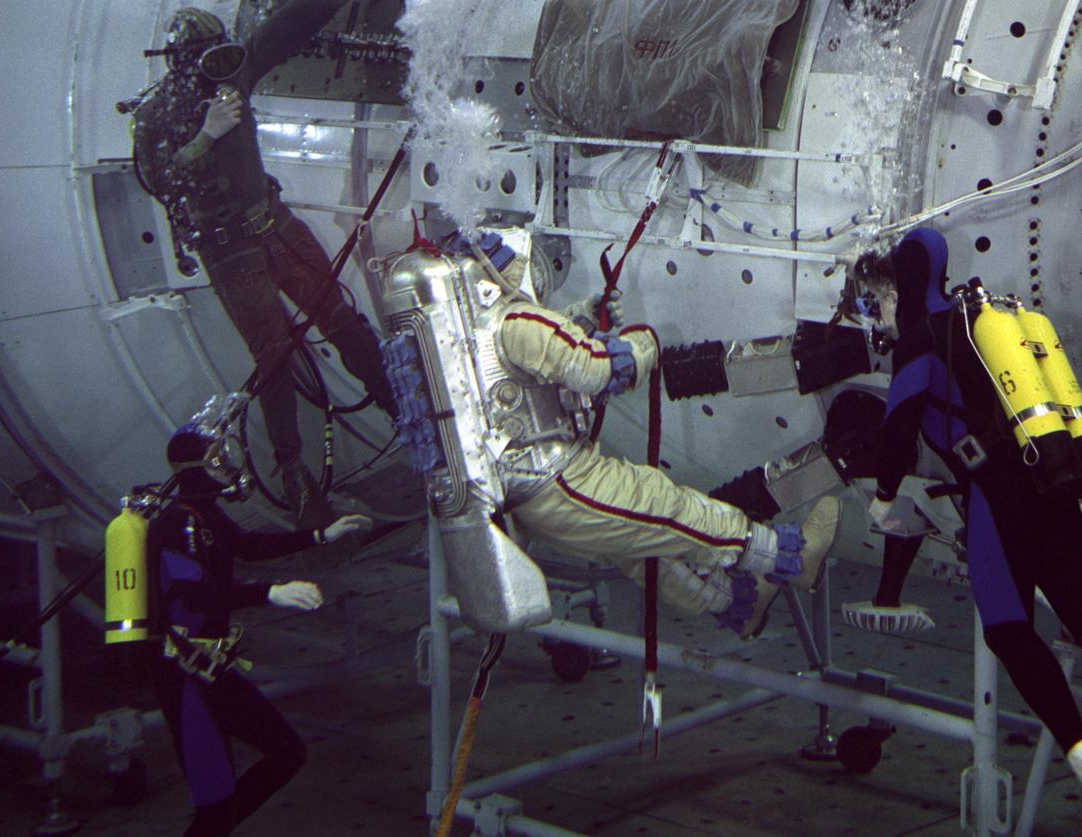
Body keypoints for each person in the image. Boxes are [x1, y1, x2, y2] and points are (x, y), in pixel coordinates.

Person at [861, 228, 1082, 836]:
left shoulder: (920, 340)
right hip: (1048, 479)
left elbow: (896, 429)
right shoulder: (981, 321)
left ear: (899, 287)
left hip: (997, 496)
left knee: (1008, 631)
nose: (882, 313)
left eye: (881, 299)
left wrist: (884, 499)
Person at [373, 231, 842, 638]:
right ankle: (788, 558)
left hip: (524, 497)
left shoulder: (472, 336)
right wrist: (644, 346)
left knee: (643, 550)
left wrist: (581, 317)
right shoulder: (517, 321)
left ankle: (736, 605)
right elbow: (595, 369)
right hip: (561, 481)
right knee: (667, 511)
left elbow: (527, 371)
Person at [132, 3, 397, 529]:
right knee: (275, 357)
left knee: (340, 319)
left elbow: (292, 23)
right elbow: (160, 182)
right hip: (228, 249)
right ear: (183, 65)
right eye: (207, 62)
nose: (219, 70)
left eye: (223, 58)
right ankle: (294, 476)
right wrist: (207, 134)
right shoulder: (156, 114)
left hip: (274, 225)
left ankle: (402, 414)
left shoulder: (233, 73)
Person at [147, 415, 372, 836]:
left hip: (213, 669)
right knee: (216, 803)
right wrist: (269, 593)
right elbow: (195, 594)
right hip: (186, 677)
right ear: (194, 469)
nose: (228, 468)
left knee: (286, 753)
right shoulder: (177, 523)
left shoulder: (205, 514)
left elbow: (247, 547)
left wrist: (321, 535)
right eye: (217, 460)